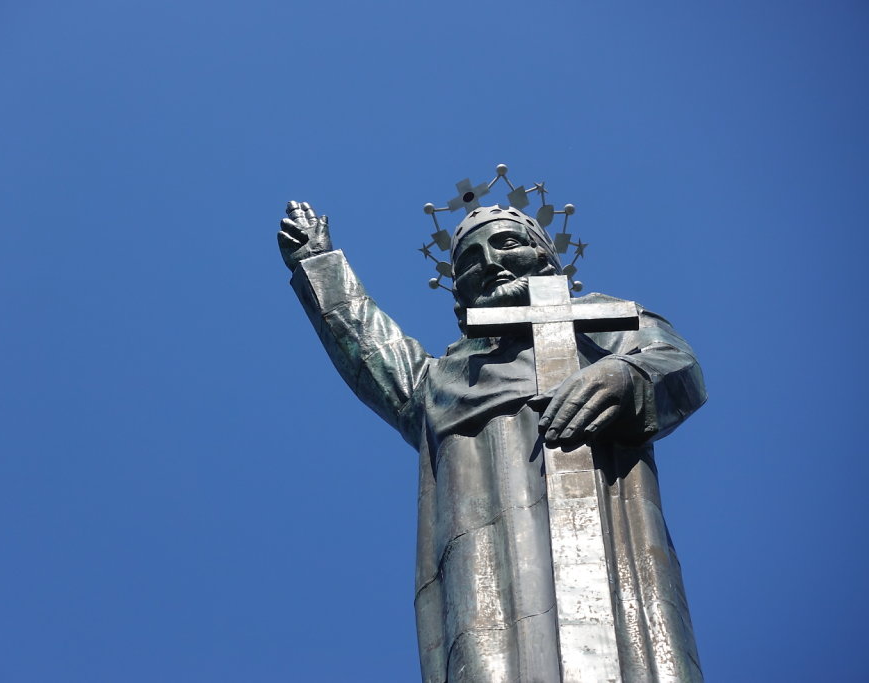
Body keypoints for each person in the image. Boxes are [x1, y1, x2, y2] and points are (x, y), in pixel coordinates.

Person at [278, 200, 707, 683]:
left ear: (545, 257)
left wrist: (627, 376)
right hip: (486, 568)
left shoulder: (605, 322)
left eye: (506, 243)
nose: (490, 264)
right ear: (458, 293)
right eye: (469, 261)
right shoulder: (439, 384)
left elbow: (678, 364)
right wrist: (318, 264)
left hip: (613, 538)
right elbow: (370, 346)